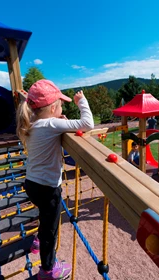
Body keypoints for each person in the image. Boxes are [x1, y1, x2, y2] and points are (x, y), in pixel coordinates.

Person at [16, 79, 94, 280]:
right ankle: (48, 270)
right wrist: (81, 102)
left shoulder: (34, 123)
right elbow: (88, 124)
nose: (61, 108)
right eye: (60, 105)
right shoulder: (52, 124)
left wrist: (60, 120)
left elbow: (51, 127)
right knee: (51, 230)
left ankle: (37, 242)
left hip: (31, 184)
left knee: (44, 216)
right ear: (52, 108)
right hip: (48, 188)